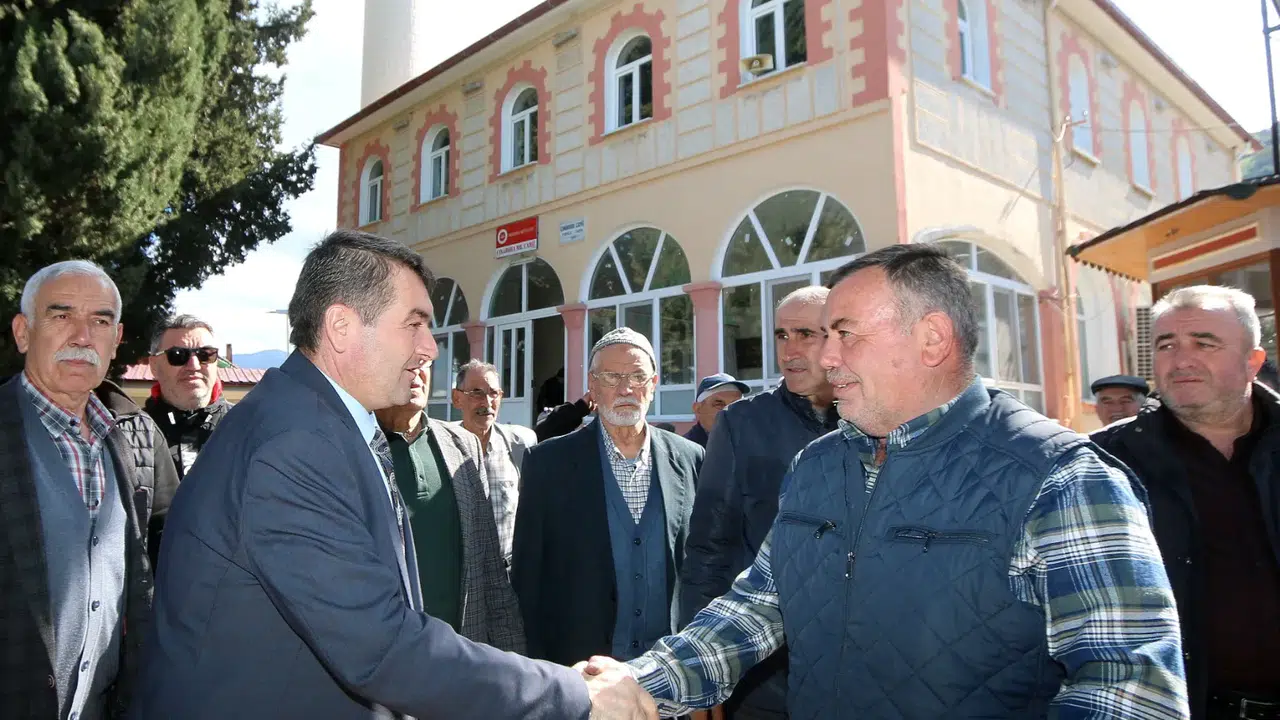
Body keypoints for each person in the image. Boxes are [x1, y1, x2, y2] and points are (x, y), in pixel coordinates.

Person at [589, 243, 1188, 718]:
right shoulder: (818, 465)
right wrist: (638, 688)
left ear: (932, 338)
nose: (825, 358)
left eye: (844, 333)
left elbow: (1131, 689)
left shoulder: (1061, 478)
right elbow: (757, 609)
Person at [135, 230, 653, 719]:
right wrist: (576, 697)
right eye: (414, 323)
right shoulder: (295, 442)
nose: (431, 346)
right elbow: (378, 644)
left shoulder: (318, 422)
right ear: (341, 327)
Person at [0, 260, 179, 719]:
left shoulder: (133, 439)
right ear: (23, 332)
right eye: (61, 316)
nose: (82, 336)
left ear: (116, 340)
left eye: (100, 321)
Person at [1092, 285, 1280, 719]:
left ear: (1253, 362)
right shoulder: (1103, 462)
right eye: (1167, 345)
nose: (1182, 359)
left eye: (1204, 343)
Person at [681, 286, 838, 720]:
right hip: (763, 675)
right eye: (781, 335)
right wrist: (699, 671)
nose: (790, 349)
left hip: (856, 671)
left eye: (806, 333)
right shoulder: (742, 423)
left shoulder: (875, 422)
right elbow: (708, 550)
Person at [513, 327, 703, 668]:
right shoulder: (547, 463)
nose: (626, 388)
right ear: (593, 385)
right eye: (612, 376)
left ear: (654, 384)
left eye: (637, 376)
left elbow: (702, 565)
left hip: (670, 671)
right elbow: (528, 578)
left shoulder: (690, 458)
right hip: (580, 670)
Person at [376, 365, 525, 651]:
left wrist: (513, 660)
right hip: (389, 662)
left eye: (424, 362)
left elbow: (490, 567)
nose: (417, 371)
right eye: (405, 359)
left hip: (462, 658)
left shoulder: (464, 447)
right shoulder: (353, 447)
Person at [451, 359, 537, 567]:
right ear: (457, 398)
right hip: (462, 576)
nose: (487, 403)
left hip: (507, 573)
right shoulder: (443, 447)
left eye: (493, 393)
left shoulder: (519, 445)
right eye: (477, 393)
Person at [144, 314, 233, 477]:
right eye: (178, 355)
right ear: (154, 366)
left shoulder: (247, 426)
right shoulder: (132, 433)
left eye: (205, 355)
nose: (194, 365)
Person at [683, 373, 749, 448]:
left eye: (736, 404)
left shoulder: (753, 443)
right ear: (698, 409)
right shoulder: (685, 451)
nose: (729, 411)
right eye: (719, 404)